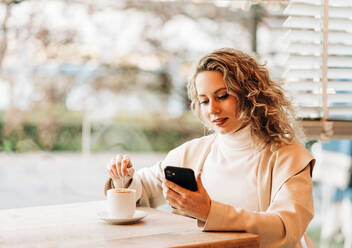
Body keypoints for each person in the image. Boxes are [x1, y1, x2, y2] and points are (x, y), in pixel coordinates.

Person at [105, 48, 315, 248]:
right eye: (204, 101)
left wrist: (209, 212)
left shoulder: (289, 157)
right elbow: (142, 190)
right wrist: (124, 178)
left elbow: (286, 229)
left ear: (251, 95)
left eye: (222, 96)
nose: (212, 109)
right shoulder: (192, 153)